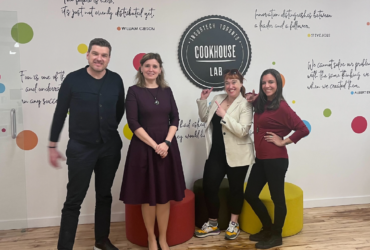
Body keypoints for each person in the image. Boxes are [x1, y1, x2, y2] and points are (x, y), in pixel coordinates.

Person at [48, 38, 125, 250]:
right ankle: (65, 247)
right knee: (73, 201)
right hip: (81, 149)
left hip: (109, 148)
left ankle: (101, 241)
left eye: (104, 55)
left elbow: (119, 110)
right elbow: (60, 113)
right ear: (88, 55)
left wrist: (106, 131)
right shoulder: (73, 80)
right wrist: (52, 145)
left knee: (104, 195)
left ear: (109, 58)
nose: (99, 58)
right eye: (95, 54)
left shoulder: (116, 80)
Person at [120, 53, 185, 250]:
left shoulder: (167, 91)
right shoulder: (133, 91)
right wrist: (154, 145)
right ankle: (151, 238)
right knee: (148, 197)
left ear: (160, 69)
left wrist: (165, 143)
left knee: (164, 197)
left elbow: (175, 118)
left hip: (167, 149)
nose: (151, 69)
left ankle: (163, 238)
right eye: (147, 65)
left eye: (155, 66)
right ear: (141, 68)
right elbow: (133, 122)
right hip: (143, 149)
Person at [244, 69, 309, 249]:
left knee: (277, 199)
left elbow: (303, 129)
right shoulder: (262, 101)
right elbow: (252, 98)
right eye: (264, 82)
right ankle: (267, 227)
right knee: (250, 194)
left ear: (278, 85)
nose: (267, 86)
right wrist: (251, 97)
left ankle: (276, 235)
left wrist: (283, 141)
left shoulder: (282, 106)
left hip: (276, 160)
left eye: (271, 82)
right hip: (261, 159)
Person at [194, 69, 254, 240]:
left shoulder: (246, 104)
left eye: (234, 82)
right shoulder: (218, 98)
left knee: (236, 189)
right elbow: (205, 118)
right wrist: (203, 100)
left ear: (241, 83)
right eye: (227, 82)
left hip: (239, 153)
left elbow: (243, 131)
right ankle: (212, 223)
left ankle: (234, 224)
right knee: (209, 187)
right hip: (217, 153)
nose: (230, 86)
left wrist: (224, 115)